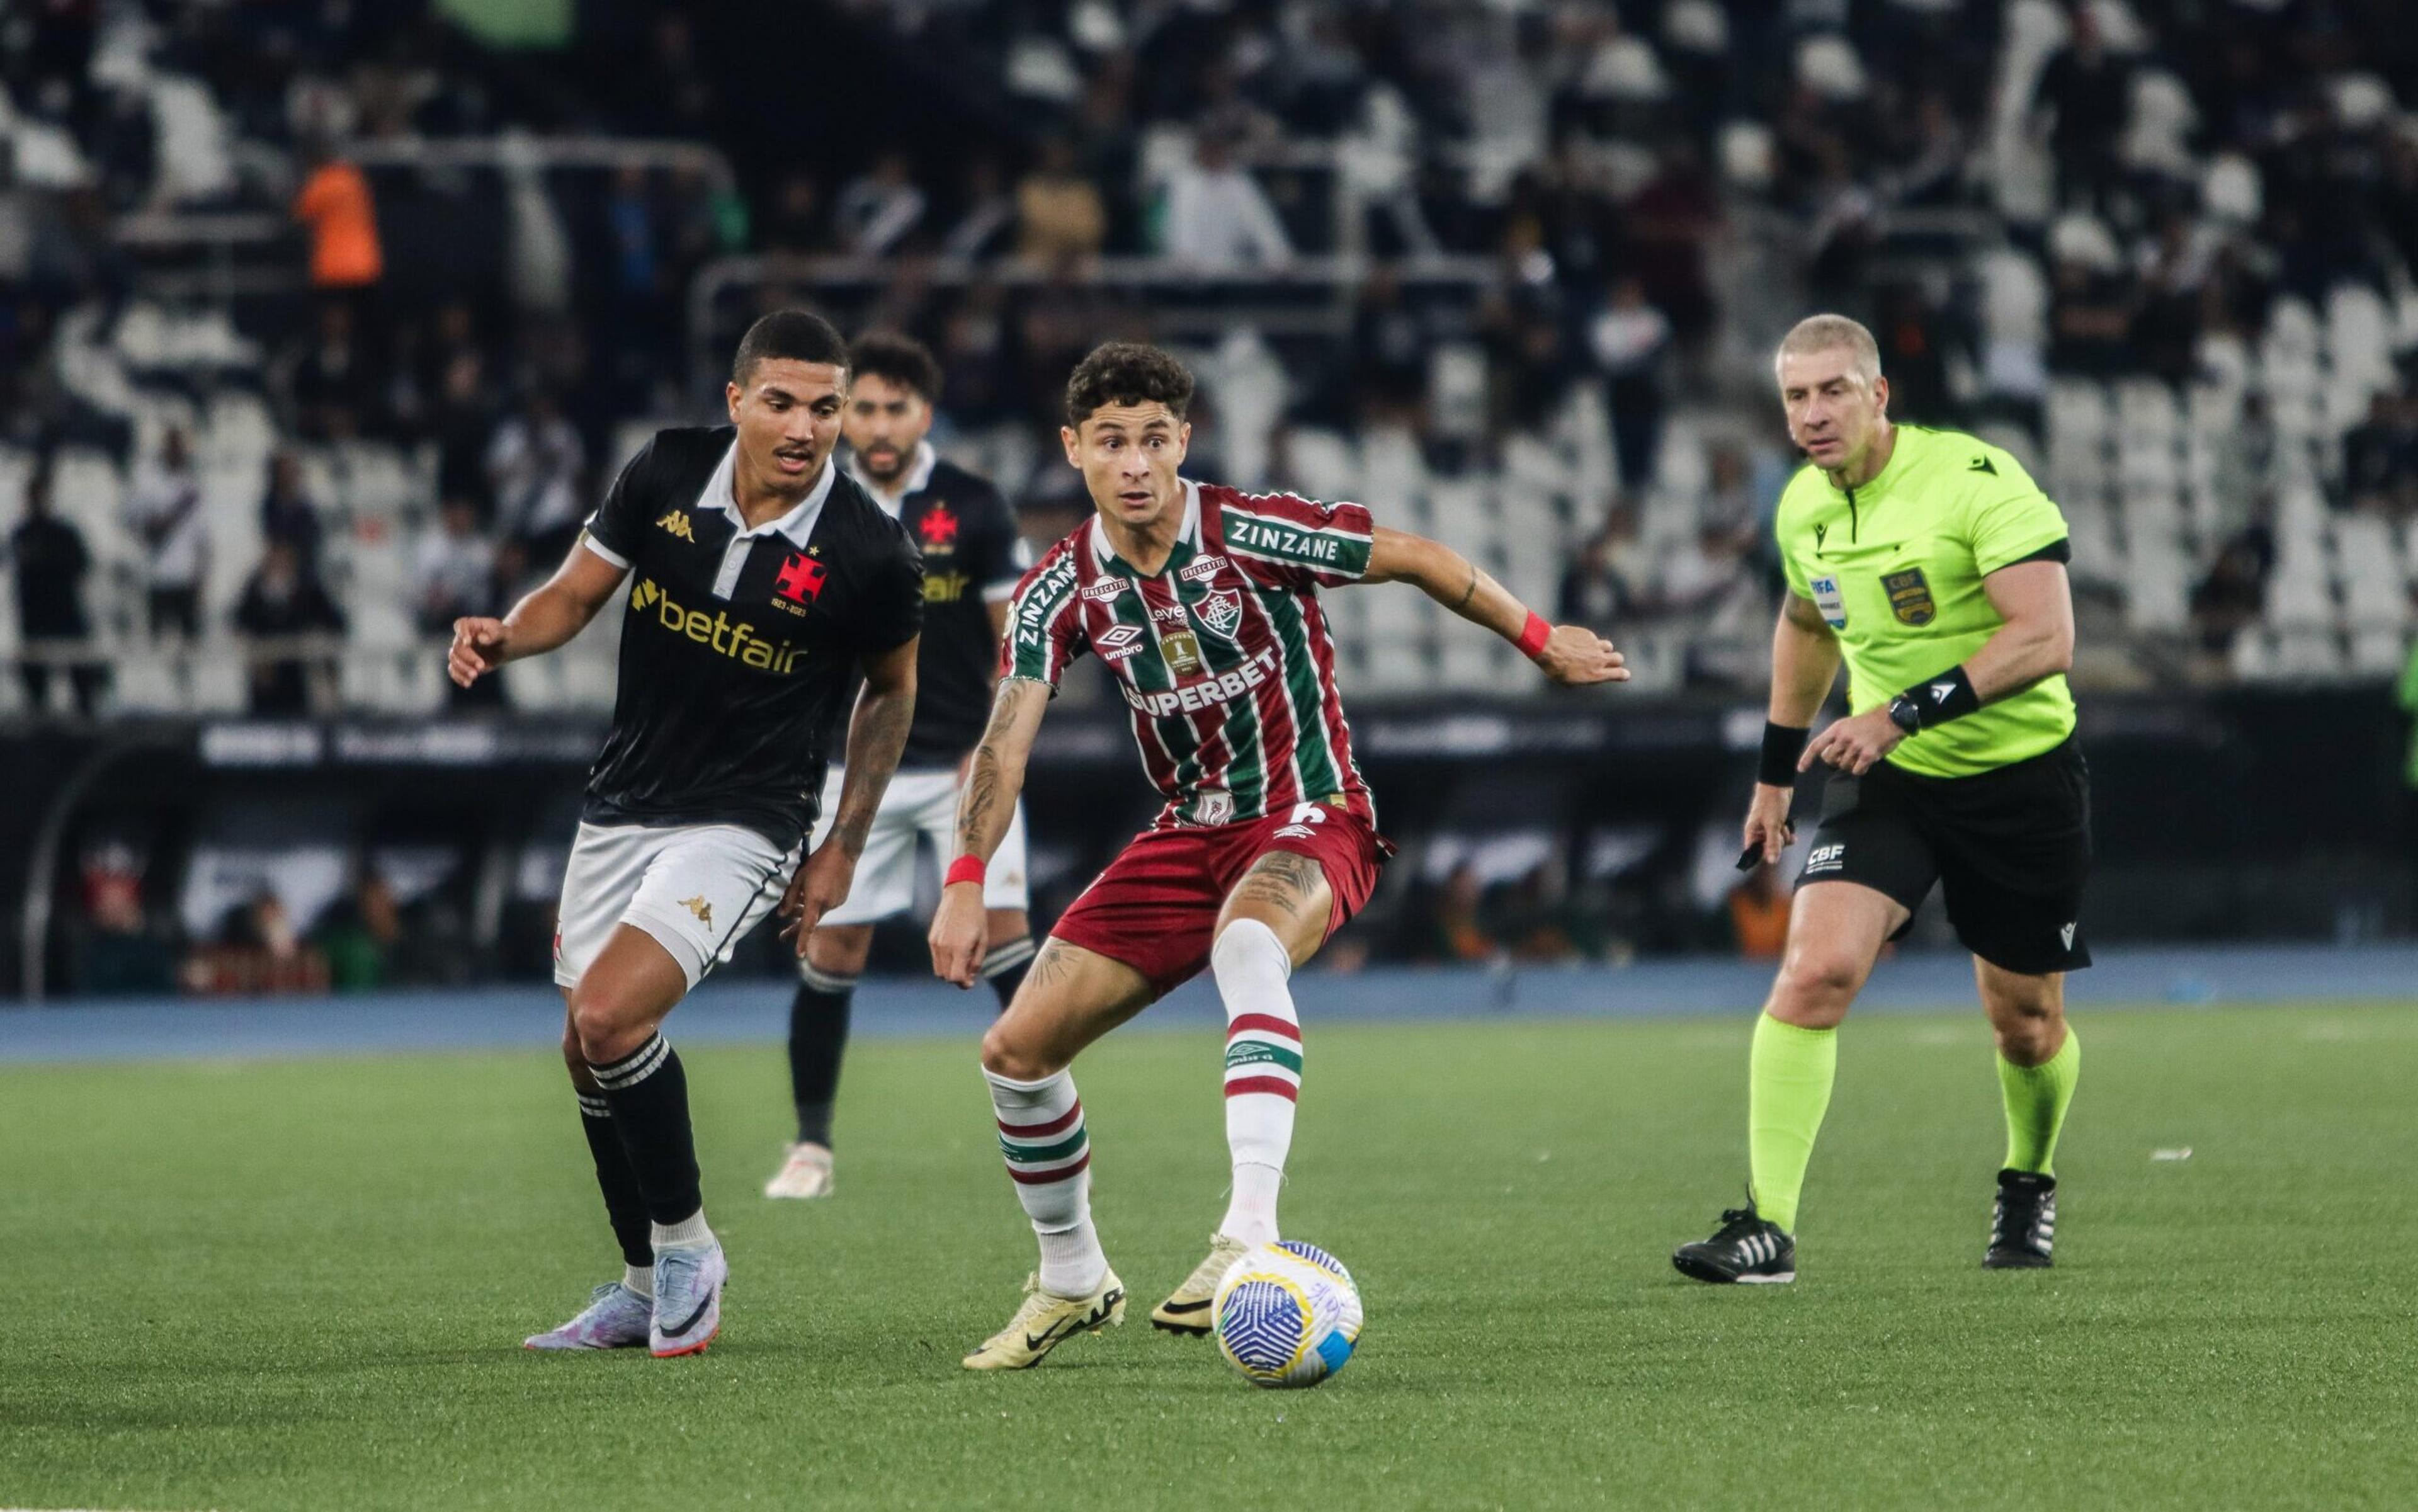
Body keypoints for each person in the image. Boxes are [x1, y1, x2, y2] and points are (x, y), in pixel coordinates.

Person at [929, 343, 1625, 1370]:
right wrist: (963, 883)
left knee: (1246, 945)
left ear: (1185, 442)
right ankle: (1073, 1279)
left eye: (1155, 439)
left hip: (1313, 812)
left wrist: (1540, 637)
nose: (1135, 463)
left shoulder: (1253, 530)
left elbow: (1421, 556)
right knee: (1016, 1055)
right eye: (1112, 442)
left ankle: (1248, 1232)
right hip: (1187, 832)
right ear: (1073, 448)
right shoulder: (1056, 591)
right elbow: (1004, 741)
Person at [446, 310, 923, 1358]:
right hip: (624, 801)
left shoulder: (869, 552)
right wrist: (505, 633)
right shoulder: (665, 471)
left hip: (750, 820)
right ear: (737, 401)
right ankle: (634, 1280)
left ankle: (689, 1249)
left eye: (828, 407)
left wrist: (843, 840)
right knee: (584, 1048)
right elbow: (573, 597)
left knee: (611, 1020)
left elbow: (891, 696)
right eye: (784, 402)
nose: (806, 427)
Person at [1671, 315, 2087, 1285]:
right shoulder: (1803, 508)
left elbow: (2047, 638)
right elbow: (1806, 622)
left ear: (1878, 395)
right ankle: (1767, 1224)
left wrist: (1900, 713)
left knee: (2023, 1019)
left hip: (2019, 778)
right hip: (1888, 779)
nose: (1813, 415)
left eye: (1832, 392)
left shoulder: (1975, 479)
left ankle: (2029, 1181)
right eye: (1795, 397)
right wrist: (1775, 775)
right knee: (1814, 971)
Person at [766, 332, 1035, 1202]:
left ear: (926, 412)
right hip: (862, 774)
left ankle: (1050, 1123)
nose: (879, 427)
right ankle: (811, 1146)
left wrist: (992, 750)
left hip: (966, 766)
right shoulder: (810, 510)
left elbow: (1019, 647)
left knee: (1005, 941)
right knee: (831, 945)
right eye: (865, 410)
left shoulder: (976, 506)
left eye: (896, 409)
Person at [8, 467, 105, 716]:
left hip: (65, 612)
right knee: (35, 683)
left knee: (80, 676)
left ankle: (86, 717)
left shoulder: (65, 533)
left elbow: (82, 565)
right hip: (35, 616)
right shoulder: (21, 534)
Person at [231, 540, 346, 715]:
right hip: (264, 672)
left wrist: (314, 638)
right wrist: (256, 656)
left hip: (294, 669)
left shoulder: (306, 589)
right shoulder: (254, 589)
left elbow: (335, 621)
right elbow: (240, 621)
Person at [124, 424, 207, 639]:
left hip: (187, 576)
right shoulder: (149, 483)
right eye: (171, 445)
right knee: (156, 640)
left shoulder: (193, 484)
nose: (175, 450)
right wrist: (152, 528)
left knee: (191, 643)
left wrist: (201, 573)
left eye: (179, 446)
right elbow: (131, 519)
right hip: (158, 575)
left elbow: (201, 536)